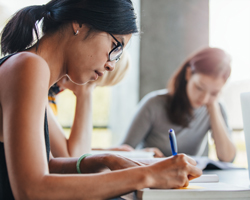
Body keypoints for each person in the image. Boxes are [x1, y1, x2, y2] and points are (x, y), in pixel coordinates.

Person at [0, 0, 202, 199]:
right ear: (79, 23)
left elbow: (49, 165)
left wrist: (108, 160)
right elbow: (32, 190)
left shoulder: (30, 69)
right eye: (116, 47)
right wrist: (147, 175)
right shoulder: (29, 66)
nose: (111, 66)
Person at [122, 47, 236, 162]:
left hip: (189, 178)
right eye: (199, 88)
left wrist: (213, 108)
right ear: (188, 74)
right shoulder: (154, 104)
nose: (204, 98)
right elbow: (122, 152)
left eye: (214, 93)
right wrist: (143, 155)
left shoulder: (215, 107)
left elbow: (227, 158)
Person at [48, 51, 133, 157]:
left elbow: (51, 148)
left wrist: (103, 151)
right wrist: (85, 92)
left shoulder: (52, 92)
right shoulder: (43, 91)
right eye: (94, 85)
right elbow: (74, 158)